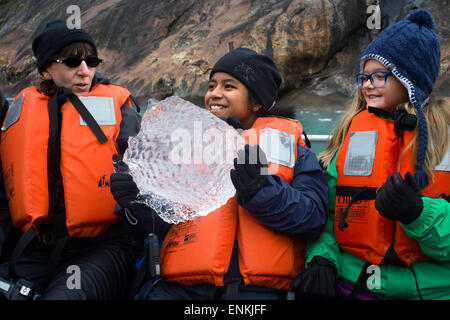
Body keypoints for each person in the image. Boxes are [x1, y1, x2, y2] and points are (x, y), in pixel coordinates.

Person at [110, 48, 328, 300]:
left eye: (229, 86)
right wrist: (137, 199)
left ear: (257, 101)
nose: (215, 93)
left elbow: (312, 218)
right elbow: (162, 226)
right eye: (212, 85)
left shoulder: (297, 152)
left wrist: (261, 189)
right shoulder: (187, 147)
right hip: (183, 289)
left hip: (258, 292)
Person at [292, 9, 450, 300]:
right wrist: (323, 259)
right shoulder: (353, 136)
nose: (367, 84)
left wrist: (418, 214)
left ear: (410, 80)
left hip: (430, 291)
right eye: (364, 76)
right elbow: (329, 216)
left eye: (379, 76)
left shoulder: (445, 138)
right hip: (354, 285)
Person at [0, 20, 142, 300]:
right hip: (39, 248)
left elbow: (151, 168)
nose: (85, 70)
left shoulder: (120, 110)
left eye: (92, 60)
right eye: (72, 61)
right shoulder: (21, 111)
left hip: (103, 247)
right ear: (45, 70)